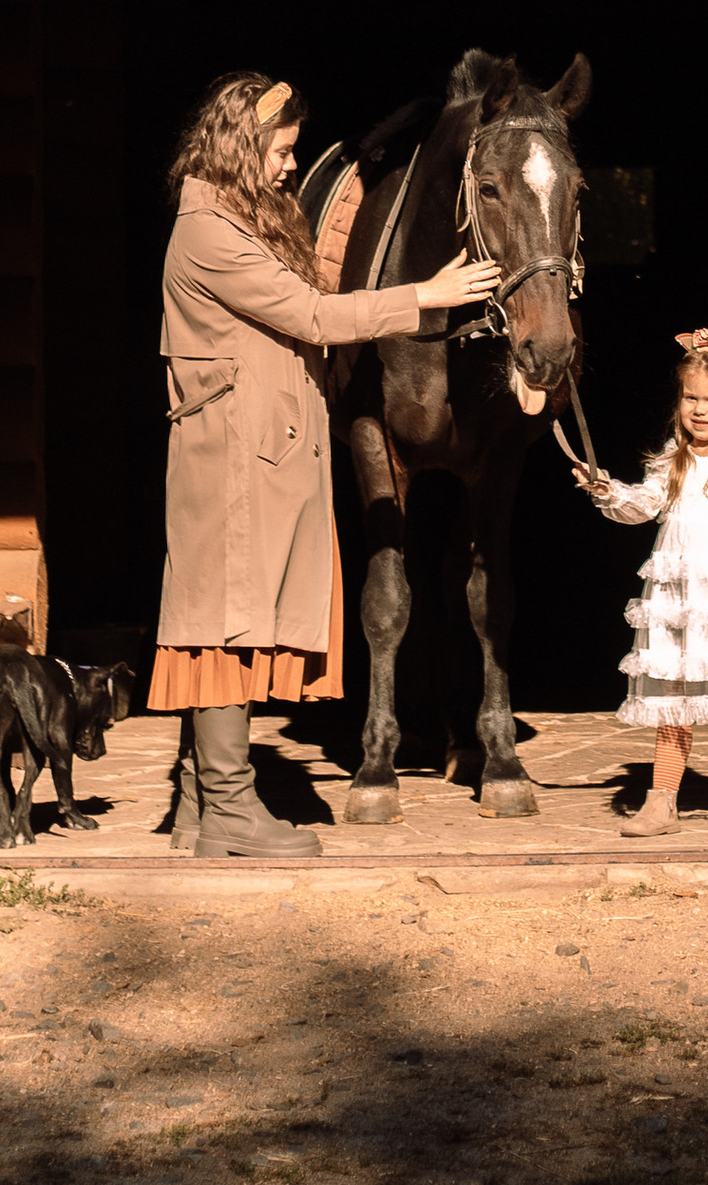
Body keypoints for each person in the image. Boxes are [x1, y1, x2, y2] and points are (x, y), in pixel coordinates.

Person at [155, 69, 498, 859]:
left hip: (256, 449)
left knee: (227, 624)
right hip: (236, 457)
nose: (287, 165)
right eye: (280, 151)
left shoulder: (238, 221)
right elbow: (312, 314)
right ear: (242, 145)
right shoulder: (209, 232)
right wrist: (427, 294)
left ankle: (200, 807)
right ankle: (231, 809)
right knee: (226, 627)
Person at [575, 325, 708, 839]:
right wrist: (608, 491)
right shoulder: (674, 458)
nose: (700, 408)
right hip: (676, 600)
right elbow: (644, 506)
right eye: (691, 396)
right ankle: (662, 801)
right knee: (673, 701)